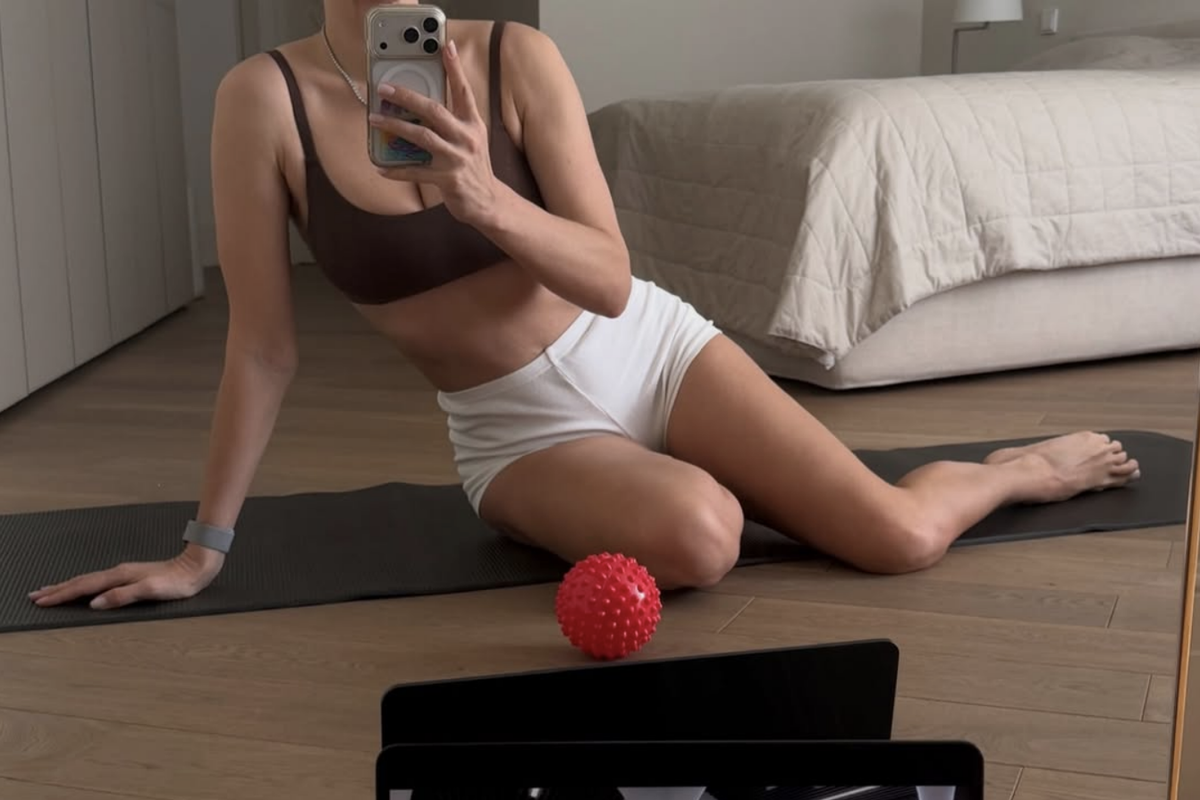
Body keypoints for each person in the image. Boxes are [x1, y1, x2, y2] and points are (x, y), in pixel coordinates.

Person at [29, 0, 1141, 612]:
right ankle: (624, 492)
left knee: (899, 539)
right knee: (702, 533)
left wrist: (482, 197)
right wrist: (203, 548)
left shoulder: (516, 57)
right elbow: (263, 348)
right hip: (518, 430)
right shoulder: (261, 100)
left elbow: (608, 278)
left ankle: (1012, 471)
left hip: (648, 348)